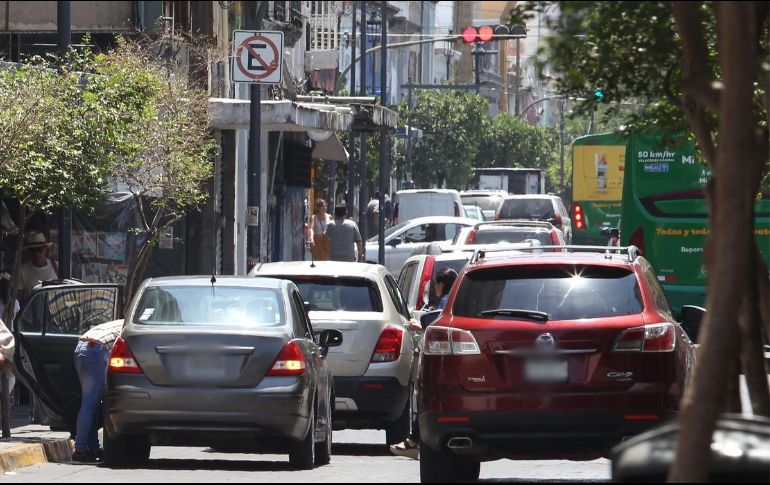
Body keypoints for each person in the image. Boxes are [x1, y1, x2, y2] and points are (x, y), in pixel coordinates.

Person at [390, 267, 459, 460]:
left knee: (423, 400)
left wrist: (419, 326)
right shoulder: (454, 301)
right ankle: (416, 440)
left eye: (436, 285)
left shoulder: (445, 302)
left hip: (439, 362)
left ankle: (415, 440)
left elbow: (438, 325)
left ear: (441, 285)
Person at [72, 319, 123, 464]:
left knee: (91, 403)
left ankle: (93, 448)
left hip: (81, 347)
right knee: (89, 404)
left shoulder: (117, 323)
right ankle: (80, 450)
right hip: (96, 350)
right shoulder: (131, 325)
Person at [16, 232, 59, 302]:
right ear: (28, 252)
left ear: (45, 249)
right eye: (32, 250)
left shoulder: (56, 266)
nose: (36, 253)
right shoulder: (22, 270)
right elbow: (17, 301)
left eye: (39, 249)